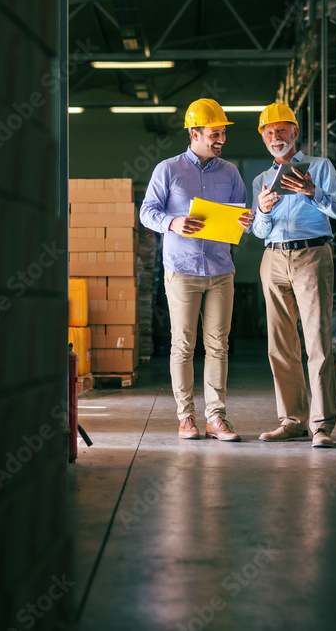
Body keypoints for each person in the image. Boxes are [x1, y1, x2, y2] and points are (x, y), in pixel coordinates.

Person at [140, 98, 253, 442]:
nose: (221, 140)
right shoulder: (168, 170)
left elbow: (244, 221)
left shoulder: (230, 172)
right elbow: (146, 211)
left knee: (218, 345)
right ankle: (185, 416)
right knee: (183, 344)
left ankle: (216, 418)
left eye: (222, 134)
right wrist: (172, 221)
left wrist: (248, 220)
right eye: (215, 134)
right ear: (194, 133)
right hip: (182, 269)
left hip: (220, 269)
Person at [250, 102, 336, 448]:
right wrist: (262, 211)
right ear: (263, 138)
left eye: (282, 130)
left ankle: (320, 426)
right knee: (280, 346)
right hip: (273, 258)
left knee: (317, 342)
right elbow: (260, 232)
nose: (276, 136)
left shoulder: (320, 167)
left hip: (312, 255)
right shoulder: (261, 180)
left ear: (295, 132)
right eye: (269, 132)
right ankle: (292, 420)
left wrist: (312, 192)